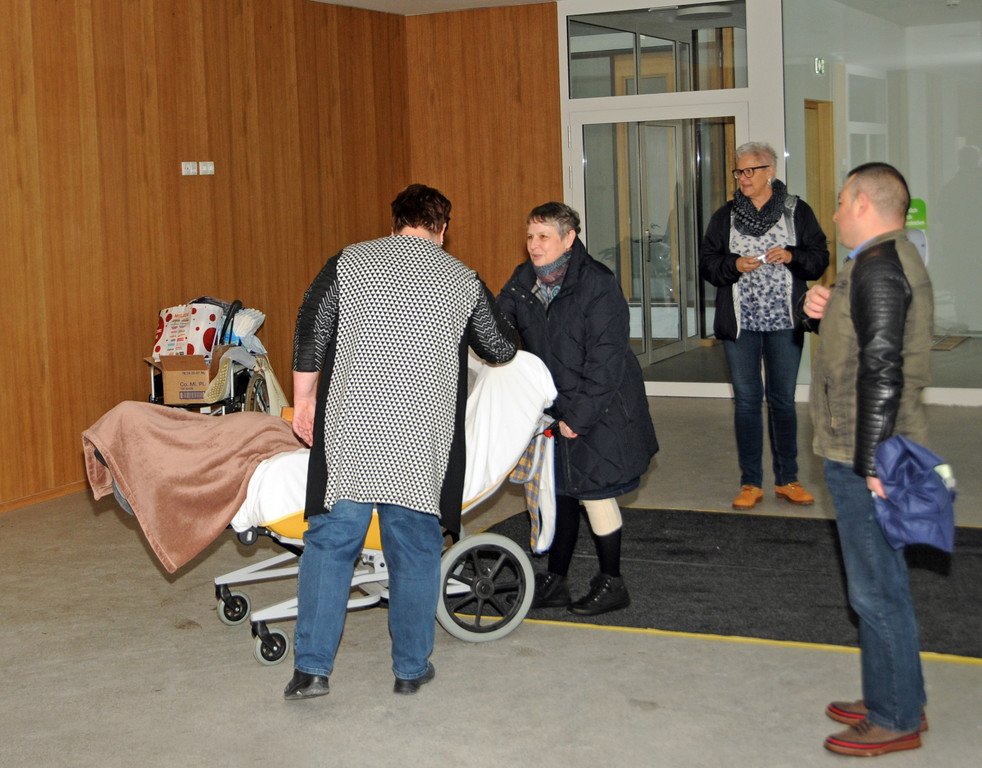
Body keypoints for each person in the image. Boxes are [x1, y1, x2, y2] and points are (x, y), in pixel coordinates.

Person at [285, 184, 518, 700]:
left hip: (349, 432)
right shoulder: (461, 278)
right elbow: (500, 347)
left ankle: (312, 671)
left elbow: (310, 327)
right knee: (414, 550)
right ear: (443, 230)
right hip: (419, 440)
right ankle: (410, 670)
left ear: (393, 224)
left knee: (330, 545)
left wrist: (303, 401)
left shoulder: (349, 262)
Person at [803, 163, 933, 757]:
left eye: (839, 202)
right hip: (868, 444)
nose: (833, 214)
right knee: (883, 583)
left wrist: (876, 464)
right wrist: (827, 306)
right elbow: (863, 342)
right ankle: (896, 692)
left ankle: (895, 716)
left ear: (861, 203)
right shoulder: (877, 262)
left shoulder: (878, 269)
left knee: (876, 590)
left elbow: (883, 372)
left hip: (866, 451)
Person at [497, 202, 658, 616]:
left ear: (568, 239)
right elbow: (497, 326)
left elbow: (607, 361)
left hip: (601, 406)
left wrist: (579, 417)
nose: (533, 245)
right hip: (557, 405)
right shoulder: (524, 280)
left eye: (543, 237)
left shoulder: (597, 284)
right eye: (529, 236)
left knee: (594, 493)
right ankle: (556, 580)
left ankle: (612, 582)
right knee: (560, 492)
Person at [699, 141, 829, 510]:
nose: (742, 178)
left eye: (749, 171)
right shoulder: (725, 216)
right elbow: (707, 264)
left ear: (769, 172)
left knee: (782, 401)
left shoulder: (796, 211)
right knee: (746, 402)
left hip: (786, 323)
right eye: (738, 172)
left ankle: (788, 479)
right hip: (740, 326)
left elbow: (819, 258)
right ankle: (750, 482)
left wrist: (791, 256)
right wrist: (733, 265)